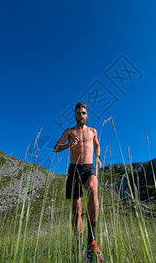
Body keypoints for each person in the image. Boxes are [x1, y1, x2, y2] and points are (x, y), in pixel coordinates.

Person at [54, 102, 104, 261]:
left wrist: (97, 157)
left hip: (89, 167)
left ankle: (92, 240)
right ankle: (78, 244)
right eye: (77, 113)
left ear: (87, 115)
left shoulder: (93, 131)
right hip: (74, 168)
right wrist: (68, 144)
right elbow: (56, 148)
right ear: (74, 115)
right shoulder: (69, 131)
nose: (80, 115)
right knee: (76, 206)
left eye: (83, 113)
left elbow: (97, 145)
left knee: (93, 191)